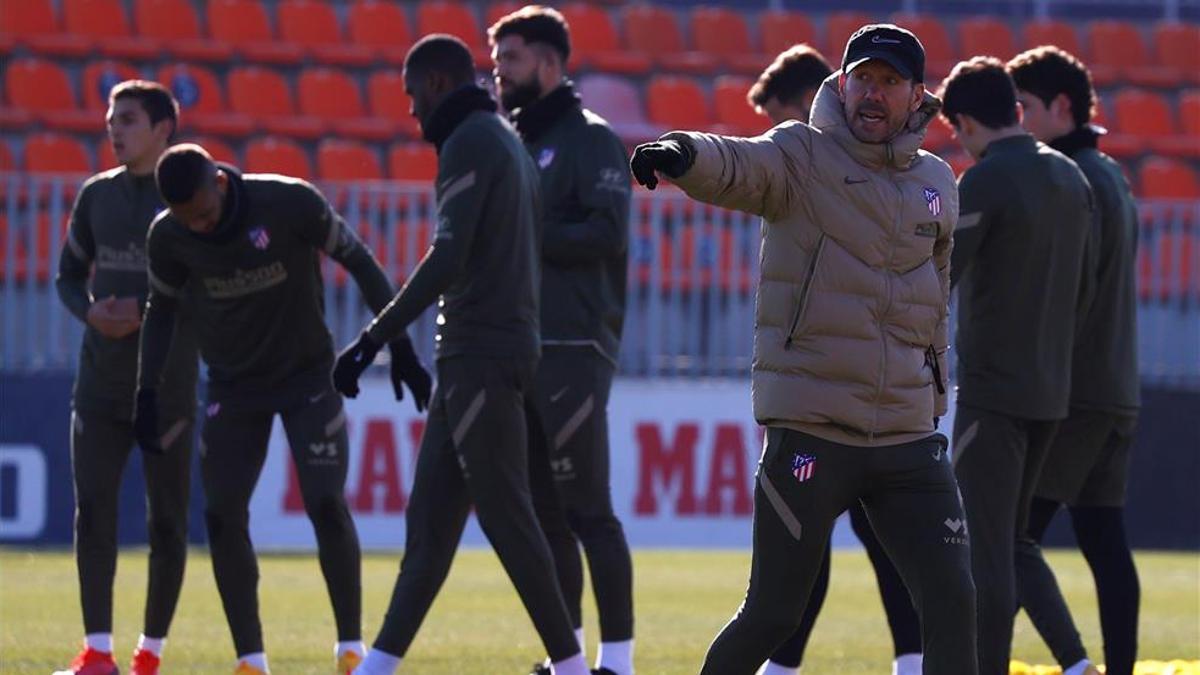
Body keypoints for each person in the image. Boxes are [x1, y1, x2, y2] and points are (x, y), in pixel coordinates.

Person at [630, 24, 976, 675]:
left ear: (916, 94)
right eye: (863, 79)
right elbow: (734, 163)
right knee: (774, 613)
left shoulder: (939, 180)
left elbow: (936, 300)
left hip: (906, 435)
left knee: (955, 597)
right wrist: (680, 152)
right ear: (841, 84)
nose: (873, 95)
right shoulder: (800, 153)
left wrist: (931, 400)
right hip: (814, 429)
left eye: (889, 82)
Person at [331, 35, 590, 675]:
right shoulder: (503, 138)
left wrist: (375, 337)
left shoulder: (470, 140)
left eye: (414, 96)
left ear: (439, 84)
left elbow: (448, 257)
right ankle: (378, 665)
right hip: (486, 351)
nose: (413, 113)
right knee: (430, 526)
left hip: (480, 351)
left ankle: (573, 668)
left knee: (508, 518)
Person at [135, 143, 429, 674]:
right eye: (187, 220)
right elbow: (160, 313)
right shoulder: (169, 235)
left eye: (203, 213)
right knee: (222, 516)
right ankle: (251, 659)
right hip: (233, 387)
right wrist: (146, 392)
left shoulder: (289, 203)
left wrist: (399, 348)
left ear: (220, 184)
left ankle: (349, 648)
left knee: (324, 503)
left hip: (307, 379)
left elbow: (360, 262)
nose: (199, 227)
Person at [746, 44, 925, 675]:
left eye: (777, 116)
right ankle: (904, 662)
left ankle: (787, 666)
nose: (774, 134)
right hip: (842, 392)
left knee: (825, 543)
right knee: (870, 546)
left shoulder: (848, 176)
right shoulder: (818, 178)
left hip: (850, 399)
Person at [939, 56, 1098, 675]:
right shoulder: (1070, 176)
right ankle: (1071, 662)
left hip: (994, 391)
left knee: (985, 549)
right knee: (1010, 543)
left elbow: (938, 278)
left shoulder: (987, 179)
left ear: (966, 122)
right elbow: (1087, 287)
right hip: (1051, 390)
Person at [488, 7, 635, 675]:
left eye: (511, 57)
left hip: (574, 343)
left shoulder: (591, 141)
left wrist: (522, 233)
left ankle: (620, 661)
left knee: (588, 511)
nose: (499, 69)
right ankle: (570, 660)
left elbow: (605, 235)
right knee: (546, 513)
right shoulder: (511, 142)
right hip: (523, 346)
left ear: (549, 62)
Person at [53, 80, 198, 675]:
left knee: (166, 520)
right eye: (111, 119)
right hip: (99, 385)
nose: (114, 129)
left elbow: (212, 287)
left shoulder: (192, 196)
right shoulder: (96, 196)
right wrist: (91, 311)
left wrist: (155, 316)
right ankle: (98, 652)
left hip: (168, 388)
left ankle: (151, 654)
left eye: (129, 120)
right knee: (94, 514)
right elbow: (66, 275)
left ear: (164, 128)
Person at [1007, 46, 1141, 675]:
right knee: (1105, 543)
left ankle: (1051, 663)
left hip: (1073, 392)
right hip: (1116, 389)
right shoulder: (1111, 173)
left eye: (1024, 108)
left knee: (1007, 540)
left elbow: (1067, 293)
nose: (1018, 122)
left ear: (1061, 106)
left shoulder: (1072, 180)